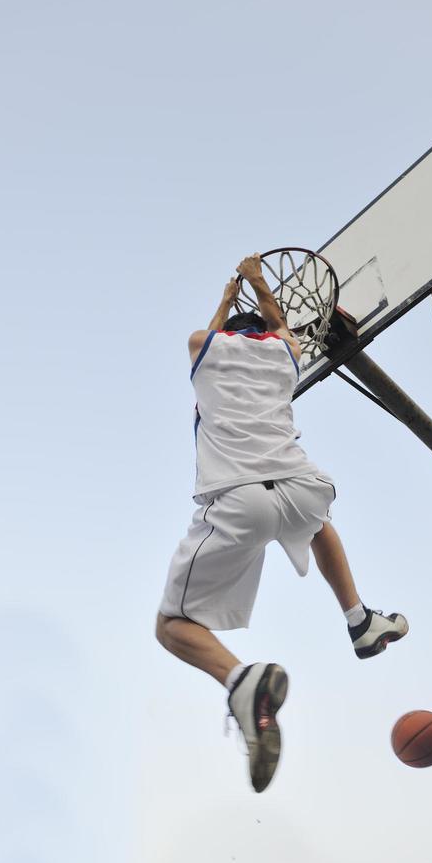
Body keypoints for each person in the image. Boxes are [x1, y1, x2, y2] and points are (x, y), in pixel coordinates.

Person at [156, 253, 408, 792]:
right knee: (316, 522)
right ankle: (359, 619)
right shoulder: (286, 356)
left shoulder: (204, 347)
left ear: (224, 334)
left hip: (239, 499)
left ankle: (241, 682)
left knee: (172, 626)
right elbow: (279, 324)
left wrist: (229, 294)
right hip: (300, 486)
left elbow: (215, 329)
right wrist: (259, 281)